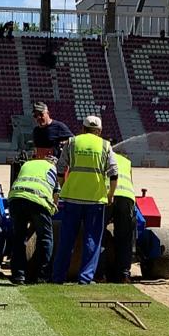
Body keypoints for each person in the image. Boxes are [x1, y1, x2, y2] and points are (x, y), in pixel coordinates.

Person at [52, 115, 119, 285]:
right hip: (95, 200)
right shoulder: (105, 145)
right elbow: (114, 173)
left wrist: (60, 189)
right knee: (92, 240)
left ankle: (58, 277)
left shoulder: (72, 142)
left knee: (67, 238)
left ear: (82, 128)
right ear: (100, 131)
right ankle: (85, 278)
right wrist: (110, 194)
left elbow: (60, 168)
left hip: (72, 198)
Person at [7, 157, 57, 285]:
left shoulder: (27, 164)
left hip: (16, 198)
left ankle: (19, 276)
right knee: (45, 238)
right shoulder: (52, 168)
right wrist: (52, 210)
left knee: (18, 238)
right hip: (38, 200)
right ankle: (43, 276)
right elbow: (56, 194)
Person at [106, 150, 139, 283]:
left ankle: (100, 274)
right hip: (127, 197)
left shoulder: (106, 155)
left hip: (108, 195)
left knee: (99, 235)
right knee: (125, 238)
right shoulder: (127, 162)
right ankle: (124, 275)